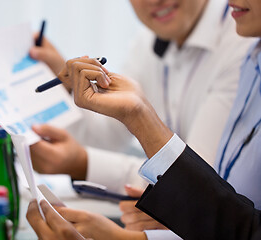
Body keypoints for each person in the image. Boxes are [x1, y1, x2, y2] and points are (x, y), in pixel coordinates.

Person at [26, 0, 261, 238]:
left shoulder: (244, 40)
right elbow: (107, 134)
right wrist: (69, 89)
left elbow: (207, 188)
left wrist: (84, 162)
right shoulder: (149, 38)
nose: (153, 1)